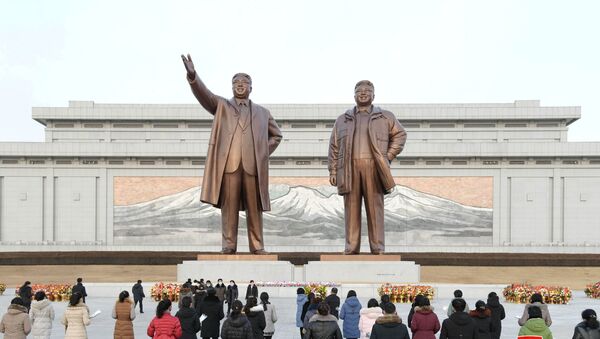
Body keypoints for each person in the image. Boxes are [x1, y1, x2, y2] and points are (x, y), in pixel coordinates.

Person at [181, 54, 283, 255]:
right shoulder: (222, 106)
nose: (240, 85)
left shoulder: (263, 113)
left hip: (253, 168)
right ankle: (229, 245)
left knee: (255, 209)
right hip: (229, 166)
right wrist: (193, 76)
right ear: (231, 87)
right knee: (229, 209)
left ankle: (257, 246)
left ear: (251, 88)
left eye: (244, 82)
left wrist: (261, 154)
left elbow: (277, 135)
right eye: (236, 82)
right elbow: (205, 95)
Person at [328, 80, 407, 254]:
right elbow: (334, 146)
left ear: (373, 95)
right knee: (351, 211)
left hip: (374, 168)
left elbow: (400, 135)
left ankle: (378, 248)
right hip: (349, 169)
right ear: (354, 95)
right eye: (359, 91)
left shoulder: (385, 116)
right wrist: (333, 170)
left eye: (367, 90)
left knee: (375, 209)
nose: (363, 93)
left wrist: (388, 156)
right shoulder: (342, 119)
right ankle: (351, 248)